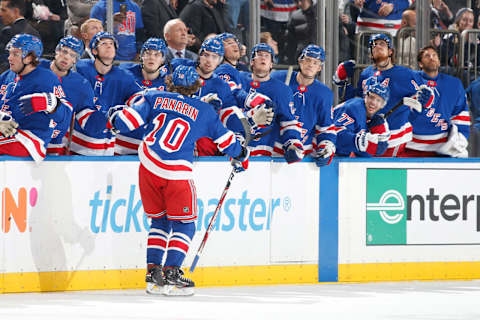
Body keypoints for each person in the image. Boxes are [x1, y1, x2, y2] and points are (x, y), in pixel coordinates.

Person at [107, 65, 249, 296]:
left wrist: (114, 114)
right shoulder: (204, 110)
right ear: (198, 85)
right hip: (176, 173)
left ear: (170, 82)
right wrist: (241, 153)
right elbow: (228, 144)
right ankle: (172, 273)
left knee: (160, 222)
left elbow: (124, 123)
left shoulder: (153, 96)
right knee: (185, 224)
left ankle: (153, 274)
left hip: (148, 168)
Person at [336, 33, 434, 156]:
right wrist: (342, 81)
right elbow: (357, 101)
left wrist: (427, 99)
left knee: (385, 172)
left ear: (390, 51)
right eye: (374, 45)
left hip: (394, 139)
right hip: (369, 138)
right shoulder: (366, 74)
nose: (377, 46)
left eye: (382, 44)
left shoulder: (406, 74)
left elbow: (426, 95)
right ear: (370, 53)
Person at [0, 33, 72, 162]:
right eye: (10, 53)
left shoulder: (46, 78)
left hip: (29, 139)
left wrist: (50, 103)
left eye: (15, 54)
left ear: (29, 58)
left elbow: (66, 115)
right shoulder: (7, 76)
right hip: (7, 134)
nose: (10, 58)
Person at [72, 31, 140, 155]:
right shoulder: (80, 68)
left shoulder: (124, 77)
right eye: (103, 43)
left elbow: (138, 100)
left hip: (106, 145)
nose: (109, 46)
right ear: (94, 51)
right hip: (76, 144)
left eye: (111, 44)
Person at [236, 43, 303, 163]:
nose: (263, 58)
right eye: (259, 55)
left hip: (265, 151)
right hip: (235, 146)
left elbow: (288, 121)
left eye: (267, 56)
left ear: (271, 64)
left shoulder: (281, 90)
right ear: (251, 62)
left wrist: (292, 144)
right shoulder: (239, 80)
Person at [272, 44, 336, 166]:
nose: (310, 64)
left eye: (315, 62)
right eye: (307, 60)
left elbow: (325, 126)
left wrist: (326, 147)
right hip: (271, 150)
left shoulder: (324, 94)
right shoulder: (278, 78)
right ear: (300, 61)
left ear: (320, 68)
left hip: (301, 155)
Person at [404, 45, 470, 157]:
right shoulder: (410, 81)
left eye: (434, 55)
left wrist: (460, 140)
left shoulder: (454, 84)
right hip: (411, 146)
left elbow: (460, 114)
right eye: (427, 56)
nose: (431, 58)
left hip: (442, 148)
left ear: (439, 62)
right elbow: (402, 111)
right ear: (420, 64)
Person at [39, 35, 95, 155]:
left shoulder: (81, 84)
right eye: (64, 51)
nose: (66, 57)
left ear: (75, 60)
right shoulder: (35, 68)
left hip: (55, 145)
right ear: (57, 51)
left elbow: (88, 116)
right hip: (27, 138)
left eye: (72, 55)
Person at [116, 37, 169, 155]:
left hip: (149, 147)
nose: (151, 57)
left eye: (157, 54)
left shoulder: (168, 84)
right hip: (120, 143)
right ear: (141, 56)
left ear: (162, 60)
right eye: (148, 53)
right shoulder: (125, 72)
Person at [334, 75, 391, 157]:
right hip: (316, 151)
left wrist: (377, 135)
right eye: (371, 97)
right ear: (365, 96)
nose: (373, 103)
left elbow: (365, 154)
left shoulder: (372, 118)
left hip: (335, 157)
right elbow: (335, 134)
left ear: (383, 105)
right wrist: (361, 141)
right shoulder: (354, 108)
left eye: (378, 100)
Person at [0, 0, 41, 73]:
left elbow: (4, 63)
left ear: (15, 11)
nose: (0, 14)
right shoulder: (35, 32)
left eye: (3, 10)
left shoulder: (8, 32)